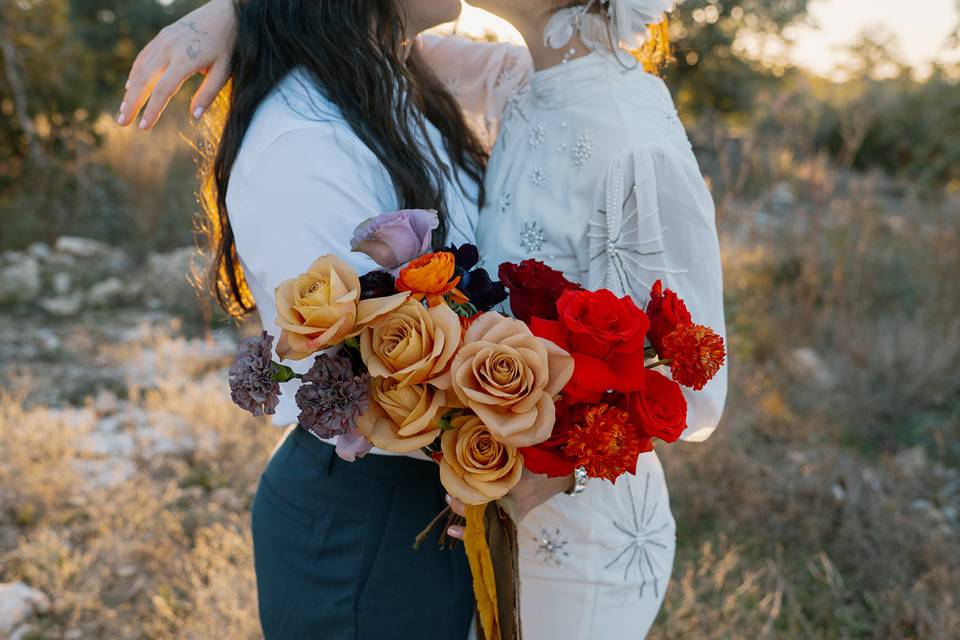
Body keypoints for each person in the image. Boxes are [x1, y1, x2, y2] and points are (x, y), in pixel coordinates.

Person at [117, 0, 727, 637]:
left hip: (569, 523)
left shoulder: (624, 132)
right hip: (448, 511)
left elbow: (698, 382)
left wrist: (563, 465)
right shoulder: (512, 84)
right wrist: (235, 14)